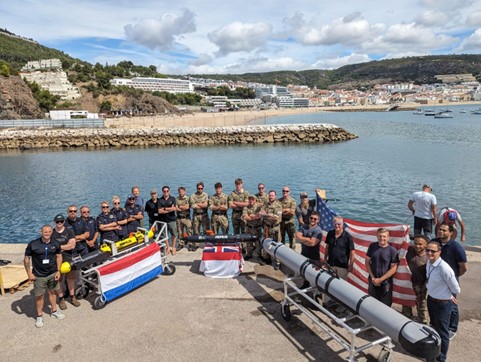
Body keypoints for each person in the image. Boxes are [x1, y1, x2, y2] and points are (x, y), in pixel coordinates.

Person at [425, 240, 461, 362]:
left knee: (443, 333)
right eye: (427, 250)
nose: (429, 253)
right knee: (433, 328)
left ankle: (441, 359)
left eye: (433, 251)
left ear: (439, 252)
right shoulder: (429, 263)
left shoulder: (444, 269)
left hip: (442, 304)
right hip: (431, 300)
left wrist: (449, 295)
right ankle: (433, 353)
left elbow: (456, 288)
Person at [24, 224, 65, 328]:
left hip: (52, 273)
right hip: (39, 275)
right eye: (45, 232)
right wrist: (29, 273)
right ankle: (39, 316)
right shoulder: (33, 244)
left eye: (49, 232)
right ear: (41, 232)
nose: (47, 234)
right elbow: (26, 258)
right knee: (40, 296)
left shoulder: (55, 243)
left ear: (52, 232)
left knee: (52, 292)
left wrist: (58, 271)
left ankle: (54, 311)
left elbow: (59, 256)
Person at [432, 223, 467, 339]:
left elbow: (463, 267)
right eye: (439, 230)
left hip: (450, 282)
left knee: (452, 305)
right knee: (437, 303)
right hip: (436, 281)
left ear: (451, 233)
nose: (440, 232)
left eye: (444, 230)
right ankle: (437, 324)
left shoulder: (456, 247)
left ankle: (452, 328)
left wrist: (453, 277)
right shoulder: (434, 243)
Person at [323, 216, 355, 308]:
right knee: (329, 283)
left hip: (342, 265)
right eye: (335, 224)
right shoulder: (330, 233)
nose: (337, 226)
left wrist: (351, 265)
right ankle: (328, 301)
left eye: (339, 224)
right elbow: (327, 247)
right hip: (331, 264)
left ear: (342, 225)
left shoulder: (348, 237)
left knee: (341, 287)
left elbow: (352, 252)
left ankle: (341, 304)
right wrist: (325, 259)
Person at [365, 228, 399, 306]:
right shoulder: (372, 246)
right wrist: (373, 277)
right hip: (372, 281)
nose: (382, 238)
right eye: (380, 236)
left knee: (385, 305)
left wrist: (380, 280)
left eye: (384, 236)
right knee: (372, 302)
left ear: (388, 237)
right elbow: (367, 262)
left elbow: (393, 269)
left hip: (385, 283)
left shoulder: (392, 250)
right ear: (377, 236)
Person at [51, 214, 78, 309]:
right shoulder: (52, 233)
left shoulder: (69, 231)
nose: (59, 223)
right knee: (59, 280)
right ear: (54, 222)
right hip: (57, 260)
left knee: (70, 279)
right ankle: (61, 298)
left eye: (61, 221)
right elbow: (51, 247)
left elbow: (72, 246)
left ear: (64, 222)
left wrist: (58, 247)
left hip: (68, 258)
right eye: (57, 222)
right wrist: (64, 246)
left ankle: (72, 297)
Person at [401, 234, 429, 324]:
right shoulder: (409, 251)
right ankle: (406, 323)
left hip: (422, 287)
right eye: (415, 243)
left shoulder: (429, 258)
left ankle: (424, 326)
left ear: (426, 245)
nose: (417, 246)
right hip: (408, 285)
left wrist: (425, 288)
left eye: (420, 244)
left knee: (422, 309)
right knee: (406, 307)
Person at [295, 211, 323, 286]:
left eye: (315, 219)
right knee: (304, 272)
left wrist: (302, 240)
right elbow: (297, 236)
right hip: (304, 254)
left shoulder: (318, 230)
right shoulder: (303, 227)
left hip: (314, 257)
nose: (313, 220)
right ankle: (305, 284)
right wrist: (307, 239)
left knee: (314, 275)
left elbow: (312, 243)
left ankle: (316, 292)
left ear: (318, 220)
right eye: (311, 218)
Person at [259, 190, 282, 264]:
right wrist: (270, 215)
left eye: (272, 195)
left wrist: (266, 215)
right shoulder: (265, 205)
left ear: (275, 196)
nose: (271, 197)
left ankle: (277, 261)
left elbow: (276, 218)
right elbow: (260, 213)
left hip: (275, 228)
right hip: (266, 228)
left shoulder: (278, 205)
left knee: (276, 244)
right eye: (270, 195)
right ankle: (266, 258)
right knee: (266, 242)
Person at [241, 195, 263, 260]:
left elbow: (259, 216)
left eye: (252, 199)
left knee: (258, 242)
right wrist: (254, 217)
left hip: (257, 228)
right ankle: (249, 254)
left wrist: (250, 216)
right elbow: (244, 217)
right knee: (248, 242)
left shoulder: (259, 207)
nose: (251, 201)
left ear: (255, 200)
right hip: (249, 227)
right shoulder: (246, 207)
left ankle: (260, 255)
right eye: (250, 199)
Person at [158, 186, 177, 254]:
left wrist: (165, 208)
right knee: (165, 235)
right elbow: (159, 211)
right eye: (164, 191)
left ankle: (173, 247)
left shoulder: (173, 198)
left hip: (172, 220)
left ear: (169, 191)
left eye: (167, 191)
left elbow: (174, 208)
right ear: (162, 192)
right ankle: (168, 247)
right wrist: (169, 209)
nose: (166, 192)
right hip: (163, 220)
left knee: (174, 234)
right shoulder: (160, 200)